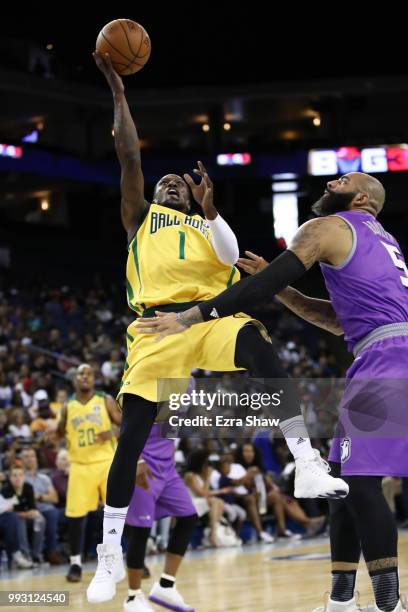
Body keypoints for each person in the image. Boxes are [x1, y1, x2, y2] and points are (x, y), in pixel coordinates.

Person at [87, 49, 347, 604]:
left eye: (181, 183)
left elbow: (230, 253)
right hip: (155, 329)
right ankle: (108, 558)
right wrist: (118, 90)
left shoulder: (207, 227)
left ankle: (305, 460)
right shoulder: (140, 220)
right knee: (131, 437)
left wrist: (211, 212)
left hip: (206, 317)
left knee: (257, 342)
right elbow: (128, 154)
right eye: (167, 183)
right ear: (153, 195)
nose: (173, 185)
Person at [143, 172, 407, 612]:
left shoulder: (326, 228)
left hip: (387, 359)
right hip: (383, 351)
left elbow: (258, 288)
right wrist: (282, 286)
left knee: (361, 485)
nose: (330, 183)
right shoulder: (382, 241)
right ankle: (341, 599)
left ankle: (388, 602)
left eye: (341, 180)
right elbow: (339, 320)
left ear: (361, 197)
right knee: (341, 482)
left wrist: (194, 316)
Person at [57, 363, 121, 583]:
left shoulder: (106, 400)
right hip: (80, 465)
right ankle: (75, 563)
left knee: (117, 512)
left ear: (94, 379)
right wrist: (50, 436)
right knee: (76, 517)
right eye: (80, 374)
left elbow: (124, 425)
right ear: (75, 379)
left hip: (105, 462)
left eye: (88, 374)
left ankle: (123, 559)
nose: (84, 377)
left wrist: (111, 431)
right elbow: (58, 432)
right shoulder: (67, 406)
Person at [123, 423, 197, 612]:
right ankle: (133, 597)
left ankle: (166, 586)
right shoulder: (148, 392)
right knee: (141, 530)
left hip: (167, 468)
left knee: (189, 517)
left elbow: (169, 432)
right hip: (144, 466)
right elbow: (127, 426)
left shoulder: (186, 393)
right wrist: (137, 460)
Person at [20, 447, 62, 564]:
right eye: (26, 457)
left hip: (46, 509)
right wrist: (44, 497)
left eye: (32, 456)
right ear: (21, 460)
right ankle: (37, 554)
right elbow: (22, 498)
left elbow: (54, 498)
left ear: (36, 459)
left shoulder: (44, 478)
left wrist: (38, 497)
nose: (30, 459)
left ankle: (52, 551)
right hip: (29, 509)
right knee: (43, 516)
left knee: (53, 512)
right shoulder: (19, 477)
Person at [2, 464, 45, 564]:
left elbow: (33, 507)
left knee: (40, 519)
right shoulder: (5, 490)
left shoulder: (28, 487)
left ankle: (36, 554)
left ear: (24, 477)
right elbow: (9, 512)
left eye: (20, 475)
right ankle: (25, 554)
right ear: (10, 477)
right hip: (15, 519)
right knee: (19, 520)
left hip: (27, 516)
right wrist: (25, 513)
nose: (18, 478)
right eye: (15, 475)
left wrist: (33, 512)